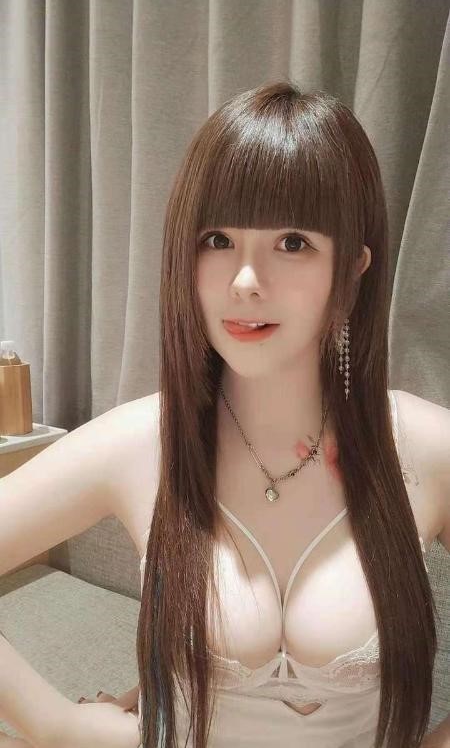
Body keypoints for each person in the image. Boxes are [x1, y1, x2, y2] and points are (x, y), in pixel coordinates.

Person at [0, 80, 448, 748]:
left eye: (292, 242)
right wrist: (54, 724)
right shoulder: (140, 442)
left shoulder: (421, 445)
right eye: (217, 239)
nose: (244, 280)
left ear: (353, 269)